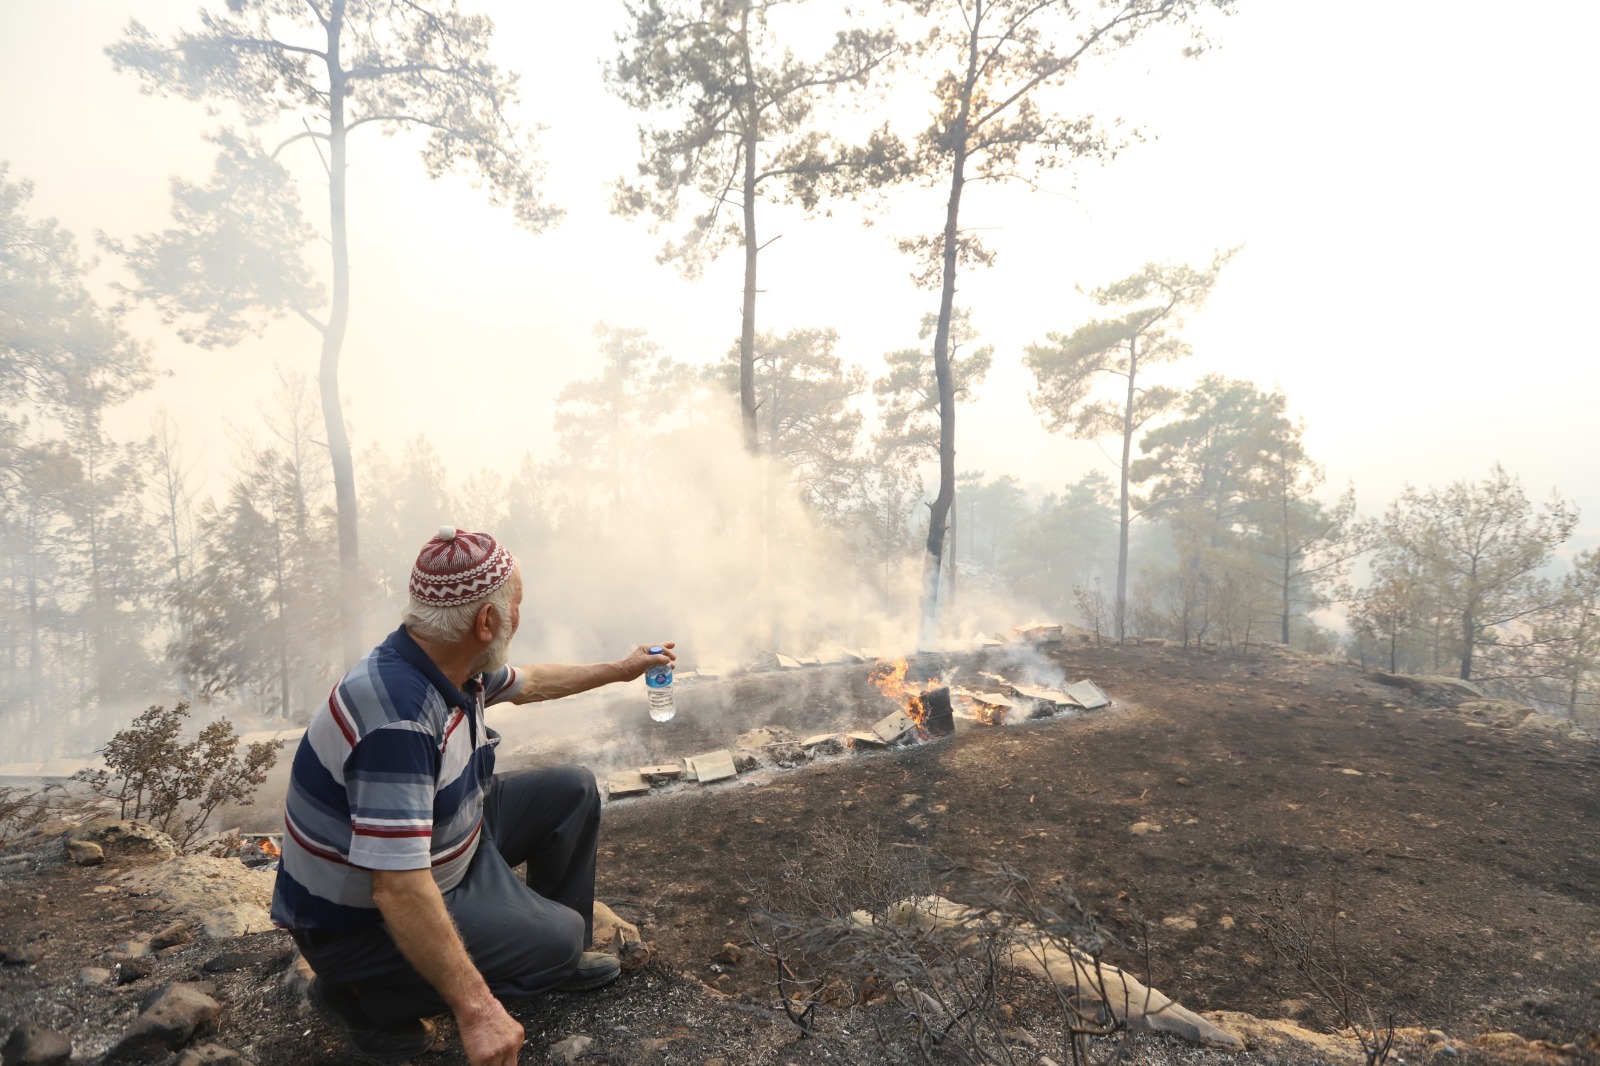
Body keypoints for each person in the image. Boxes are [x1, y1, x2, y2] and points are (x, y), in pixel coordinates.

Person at [270, 527, 675, 1065]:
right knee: (555, 941)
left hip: (451, 845)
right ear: (487, 622)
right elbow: (397, 888)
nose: (520, 616)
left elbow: (532, 682)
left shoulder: (446, 661)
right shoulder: (400, 721)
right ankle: (366, 996)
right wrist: (478, 1011)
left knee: (571, 790)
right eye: (517, 605)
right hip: (360, 924)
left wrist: (621, 670)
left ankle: (555, 954)